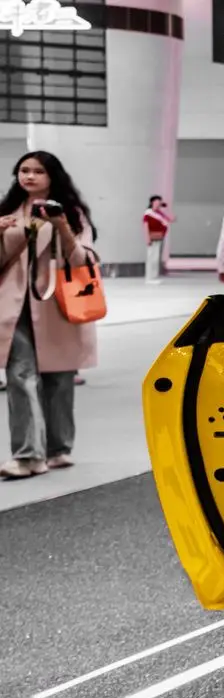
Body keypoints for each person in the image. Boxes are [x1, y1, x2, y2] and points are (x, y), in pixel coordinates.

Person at [0, 151, 97, 479]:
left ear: (52, 176)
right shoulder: (9, 212)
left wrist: (61, 226)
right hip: (13, 306)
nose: (29, 176)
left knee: (59, 377)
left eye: (38, 171)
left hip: (57, 305)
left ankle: (58, 448)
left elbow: (83, 262)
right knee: (19, 375)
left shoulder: (71, 213)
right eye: (24, 170)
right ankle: (28, 455)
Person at [142, 195, 173, 284]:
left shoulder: (159, 213)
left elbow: (170, 219)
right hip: (152, 238)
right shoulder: (148, 213)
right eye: (157, 202)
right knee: (151, 258)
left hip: (160, 238)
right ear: (152, 202)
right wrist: (147, 238)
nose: (158, 204)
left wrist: (167, 208)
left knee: (156, 258)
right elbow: (145, 226)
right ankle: (149, 277)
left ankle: (154, 276)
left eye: (159, 202)